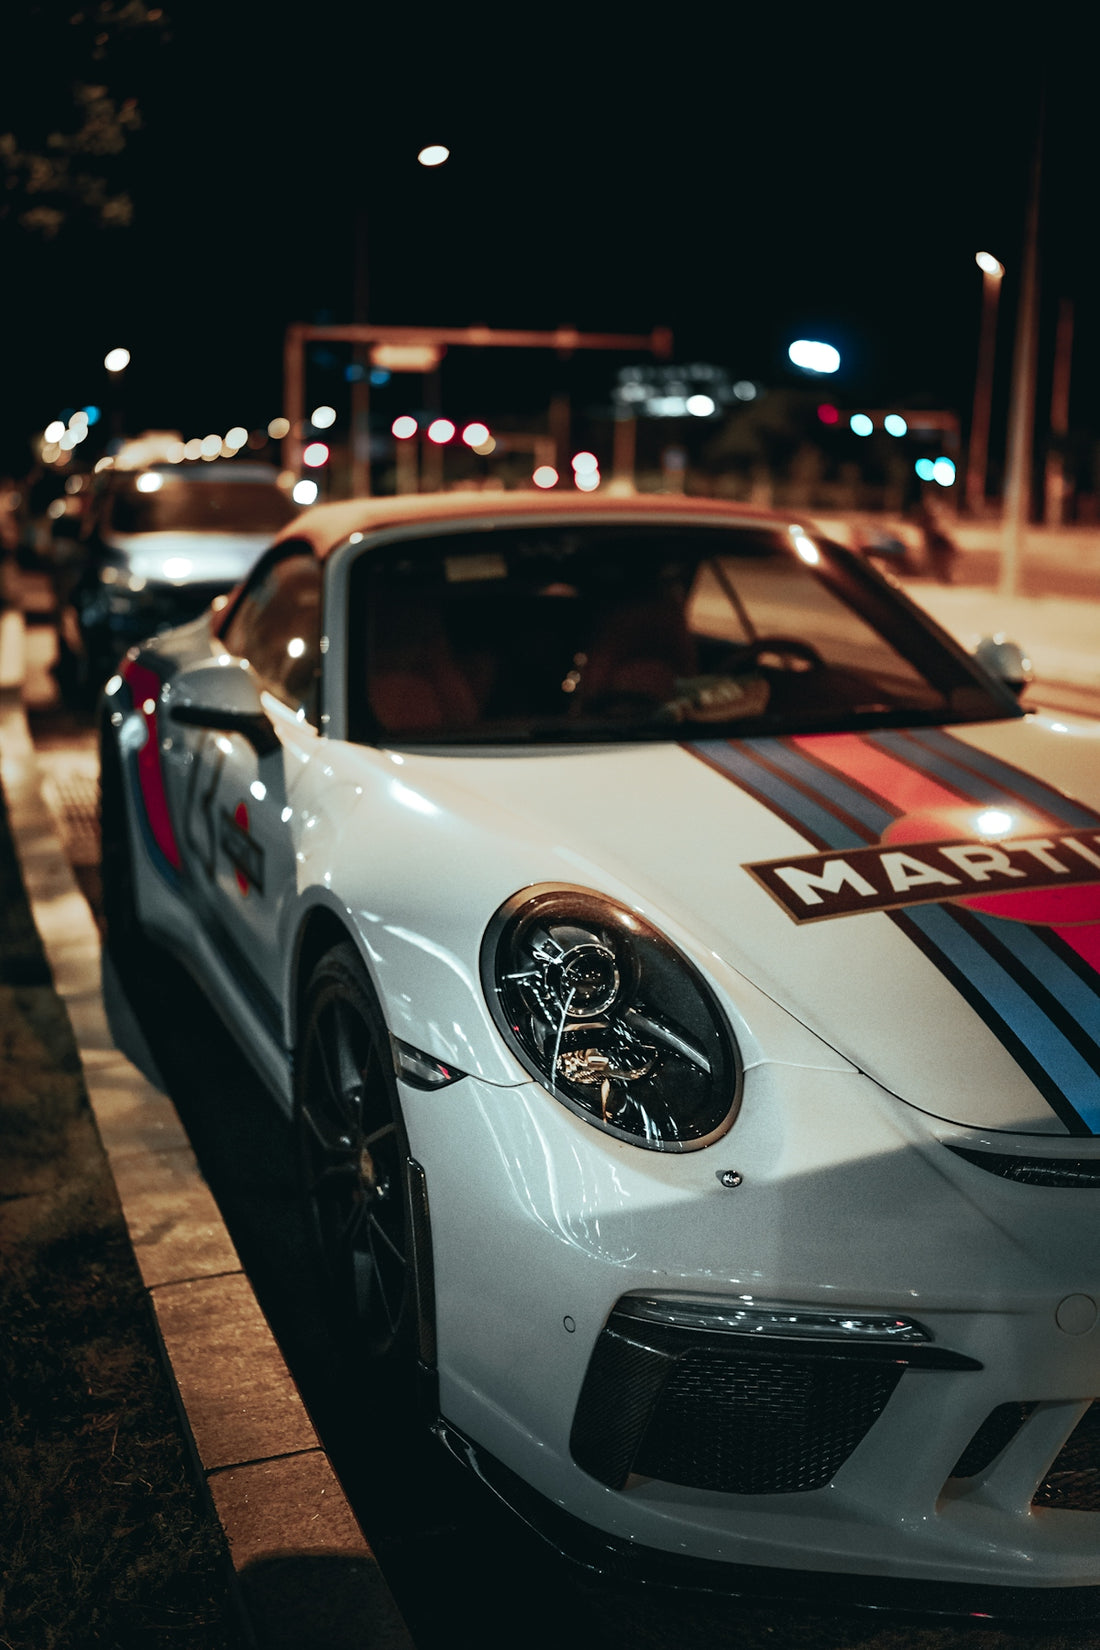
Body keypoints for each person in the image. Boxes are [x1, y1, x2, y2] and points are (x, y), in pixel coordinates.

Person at [913, 496, 959, 584]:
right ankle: (944, 576)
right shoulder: (928, 522)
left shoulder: (930, 523)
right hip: (937, 544)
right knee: (941, 561)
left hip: (939, 544)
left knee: (942, 561)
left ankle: (944, 576)